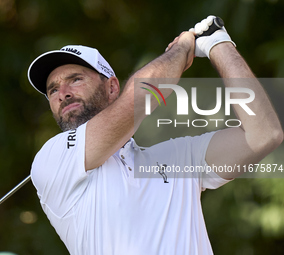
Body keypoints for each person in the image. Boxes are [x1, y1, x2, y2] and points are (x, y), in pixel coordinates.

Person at [27, 16, 283, 254]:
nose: (63, 93)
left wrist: (219, 44)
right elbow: (138, 99)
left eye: (76, 79)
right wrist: (180, 50)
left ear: (112, 87)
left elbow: (265, 134)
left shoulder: (179, 157)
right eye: (53, 90)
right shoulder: (53, 157)